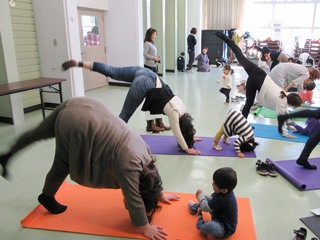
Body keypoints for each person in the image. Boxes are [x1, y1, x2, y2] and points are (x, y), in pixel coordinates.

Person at [0, 97, 180, 240]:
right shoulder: (130, 166)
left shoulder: (145, 152)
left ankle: (7, 154)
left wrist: (159, 193)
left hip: (82, 104)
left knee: (37, 133)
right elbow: (133, 196)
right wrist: (144, 227)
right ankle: (46, 197)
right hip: (76, 123)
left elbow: (153, 175)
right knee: (63, 165)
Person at [61, 60, 202, 155]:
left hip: (147, 73)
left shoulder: (182, 106)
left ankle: (80, 63)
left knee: (111, 71)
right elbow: (177, 132)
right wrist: (187, 148)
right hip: (145, 83)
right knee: (124, 116)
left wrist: (191, 135)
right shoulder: (174, 114)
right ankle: (101, 144)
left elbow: (184, 127)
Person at [215, 32, 302, 139]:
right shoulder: (282, 103)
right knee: (248, 104)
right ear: (291, 104)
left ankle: (225, 38)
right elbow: (281, 117)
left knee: (240, 56)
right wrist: (285, 132)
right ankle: (243, 126)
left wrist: (290, 124)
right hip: (256, 82)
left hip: (260, 74)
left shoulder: (284, 94)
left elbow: (285, 113)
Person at [187, 167, 238, 239]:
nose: (212, 184)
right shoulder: (224, 192)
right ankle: (194, 208)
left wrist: (200, 197)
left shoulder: (223, 199)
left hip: (224, 229)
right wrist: (203, 198)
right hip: (217, 215)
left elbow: (206, 208)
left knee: (211, 226)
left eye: (214, 184)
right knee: (206, 198)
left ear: (224, 190)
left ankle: (200, 219)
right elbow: (211, 200)